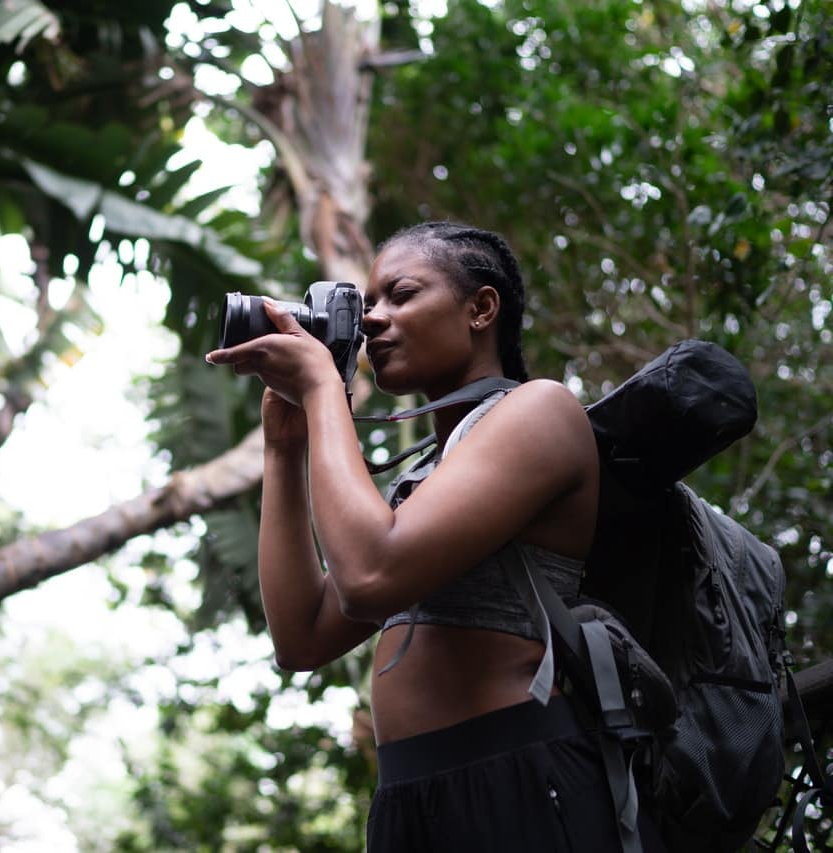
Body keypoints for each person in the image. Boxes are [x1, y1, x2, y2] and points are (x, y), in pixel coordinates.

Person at [205, 222, 665, 852]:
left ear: (481, 308)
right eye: (368, 304)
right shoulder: (424, 477)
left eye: (401, 295)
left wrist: (321, 389)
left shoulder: (540, 410)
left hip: (519, 770)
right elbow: (301, 636)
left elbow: (371, 578)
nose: (372, 320)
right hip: (406, 796)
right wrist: (285, 445)